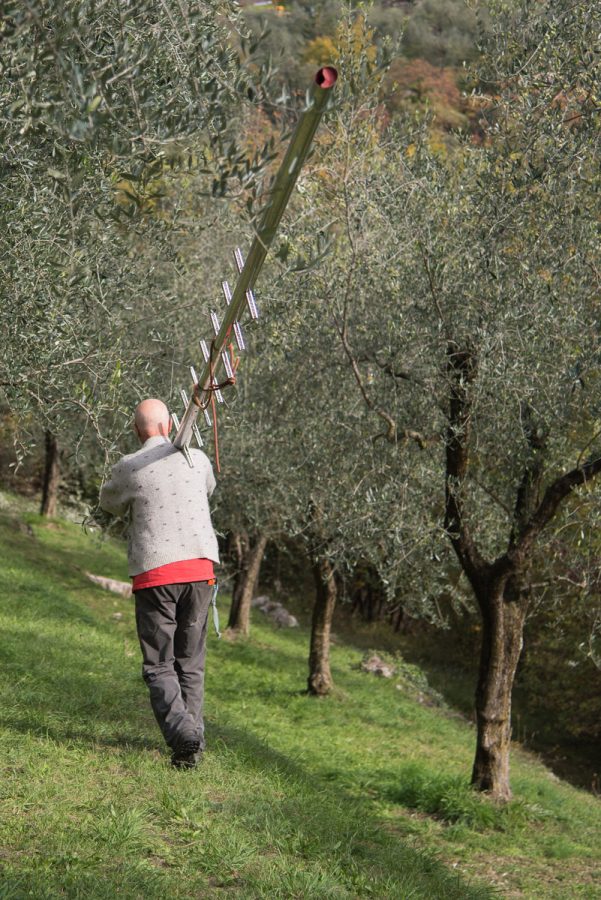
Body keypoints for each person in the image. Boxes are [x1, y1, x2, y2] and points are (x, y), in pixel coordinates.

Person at [99, 398, 219, 769]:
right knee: (190, 663)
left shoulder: (129, 466)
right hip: (200, 569)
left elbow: (108, 503)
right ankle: (191, 747)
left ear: (137, 430)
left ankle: (183, 735)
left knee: (159, 664)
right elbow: (209, 489)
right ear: (169, 424)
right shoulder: (197, 459)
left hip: (156, 575)